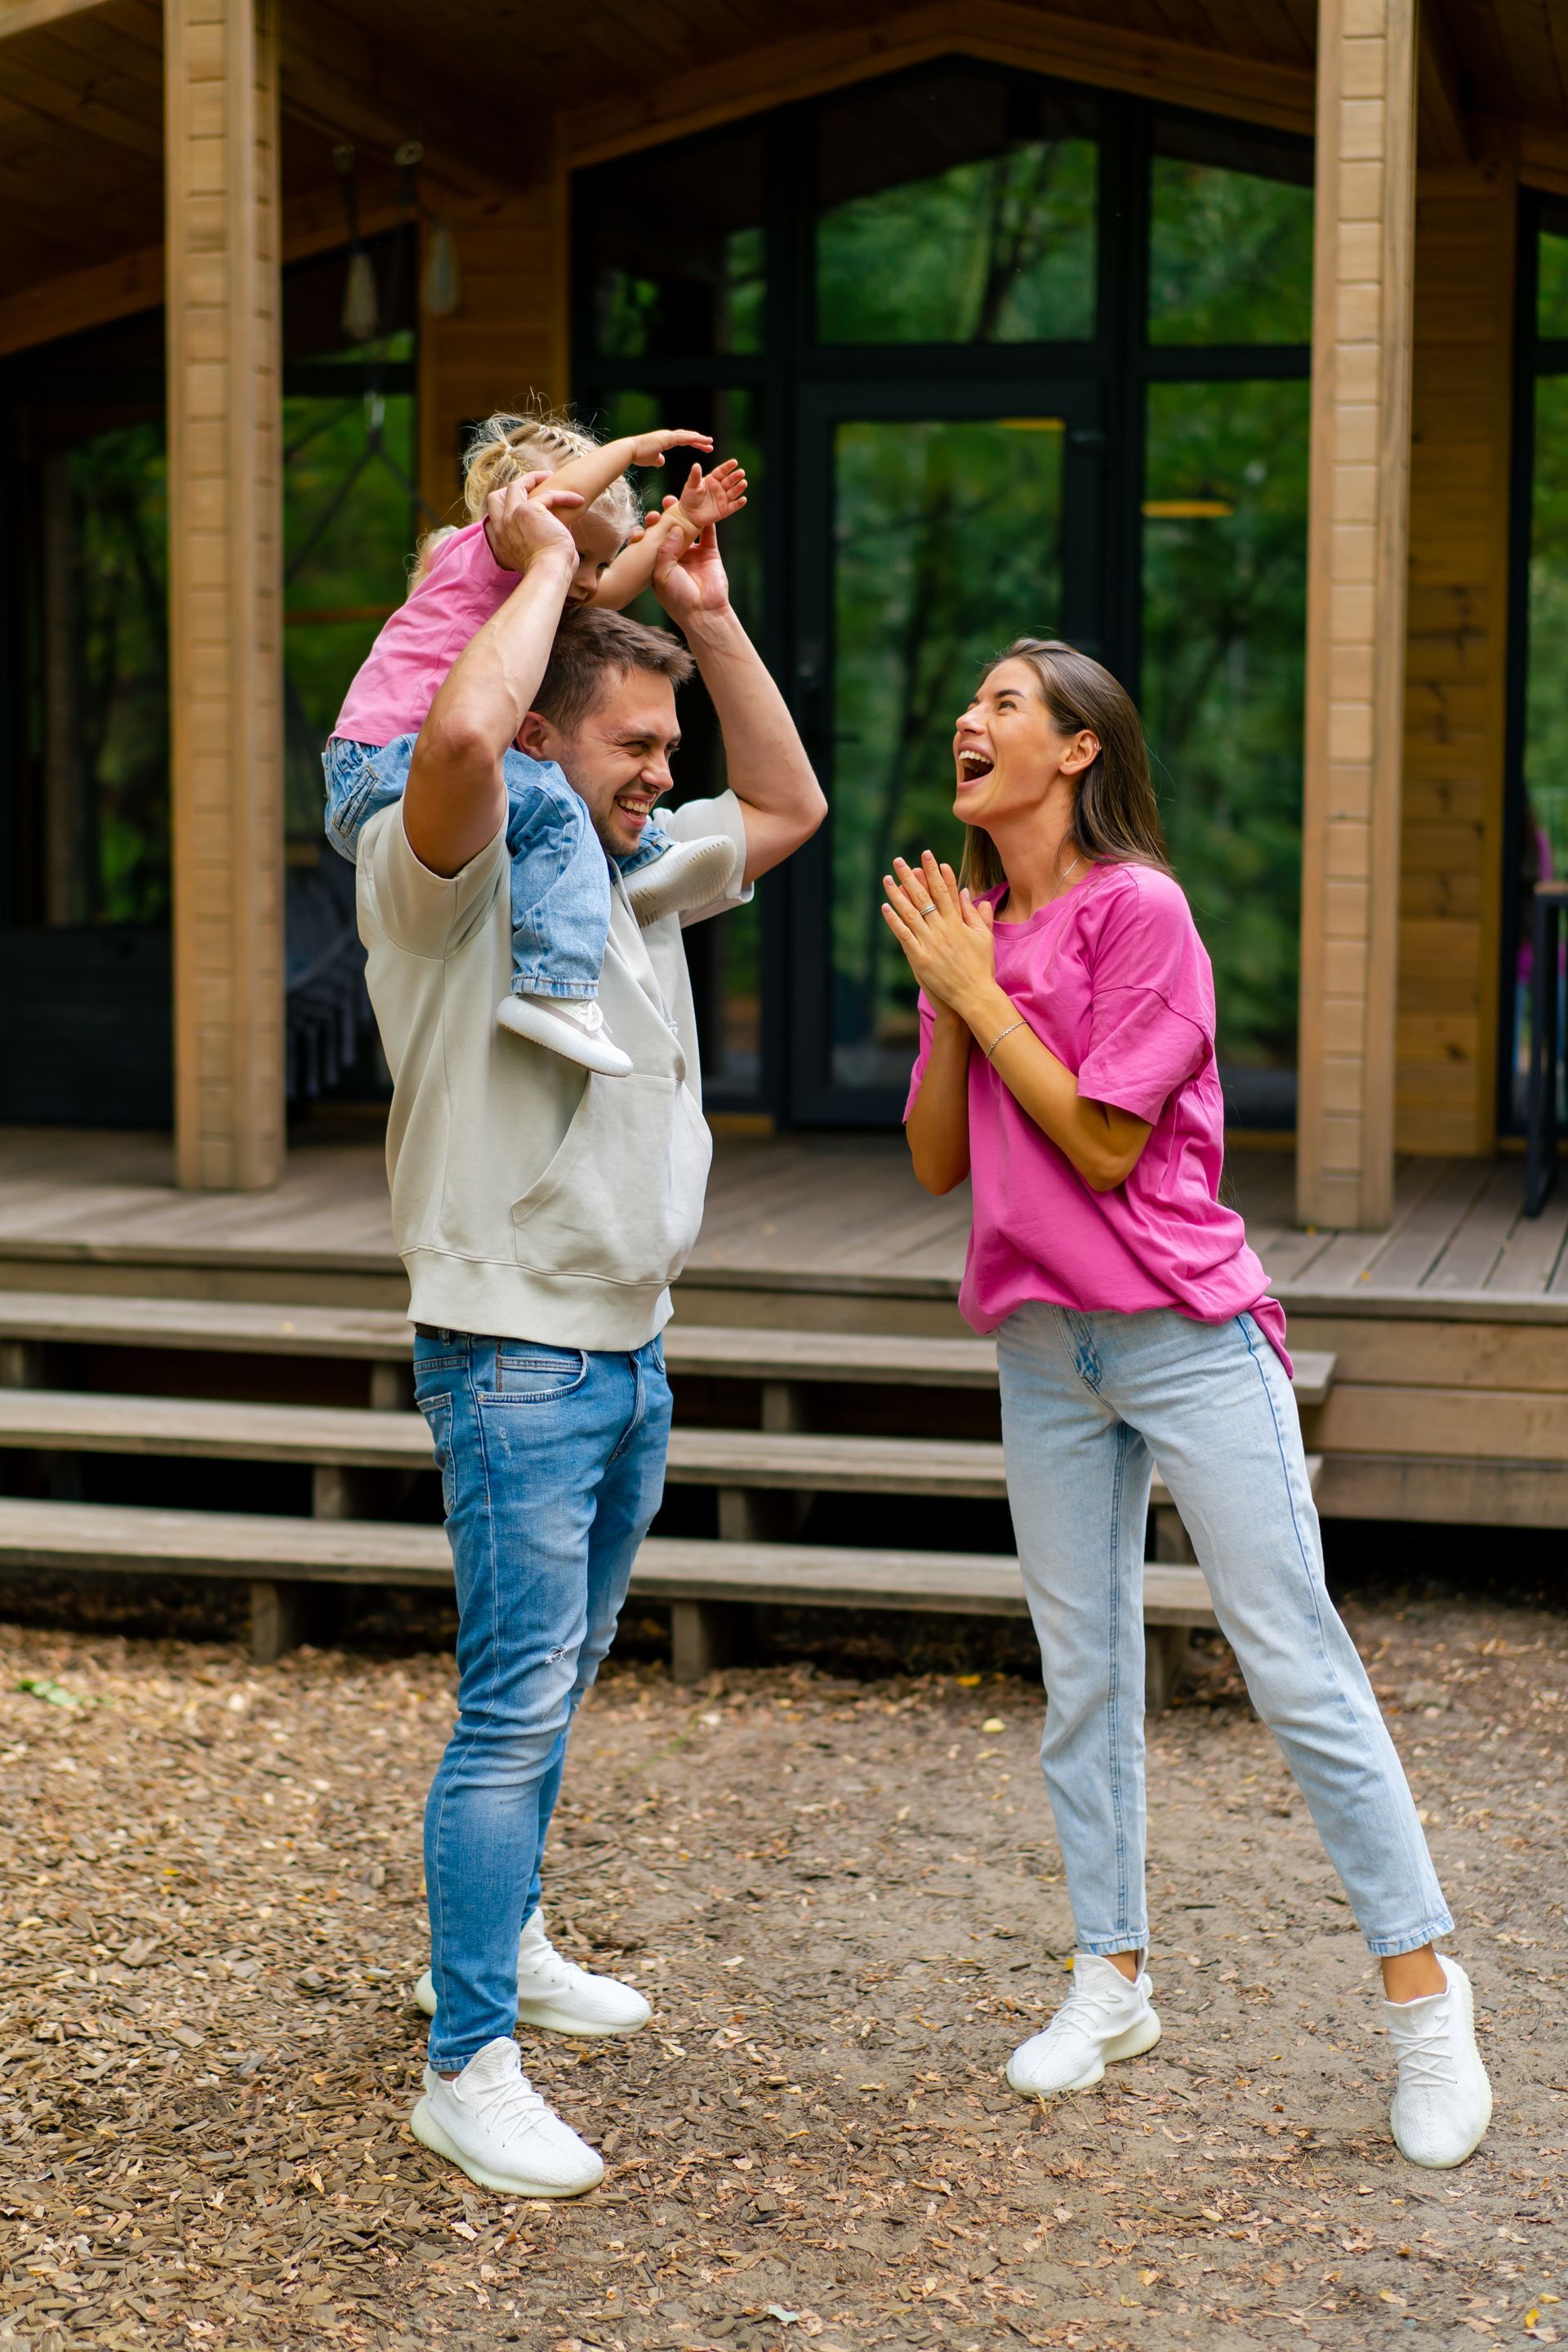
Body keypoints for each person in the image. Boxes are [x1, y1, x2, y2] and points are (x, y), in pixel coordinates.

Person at [884, 637, 1491, 2172]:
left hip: (1185, 1333)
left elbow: (1098, 1142)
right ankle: (1112, 1977)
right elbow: (939, 1165)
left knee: (1292, 1662)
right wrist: (957, 991)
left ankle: (1427, 2003)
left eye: (1006, 703)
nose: (973, 719)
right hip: (1043, 1351)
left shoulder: (1141, 910)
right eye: (974, 702)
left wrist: (978, 985)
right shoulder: (981, 925)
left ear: (1079, 750)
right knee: (1082, 1679)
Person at [352, 472, 822, 2198]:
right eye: (630, 742)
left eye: (660, 742)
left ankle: (505, 1945)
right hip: (514, 1355)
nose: (659, 771)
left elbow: (786, 800)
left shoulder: (624, 879)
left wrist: (697, 610)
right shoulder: (450, 881)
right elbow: (464, 735)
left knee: (554, 1685)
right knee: (508, 1707)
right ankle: (464, 2059)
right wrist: (544, 565)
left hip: (628, 1351)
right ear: (545, 738)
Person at [326, 408, 749, 1076]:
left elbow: (617, 581)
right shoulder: (485, 556)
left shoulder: (549, 584)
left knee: (558, 800)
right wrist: (631, 448)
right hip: (383, 761)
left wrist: (681, 525)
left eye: (600, 559)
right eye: (578, 554)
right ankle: (554, 992)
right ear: (530, 514)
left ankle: (637, 865)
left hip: (420, 765)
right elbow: (559, 513)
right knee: (553, 800)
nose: (588, 579)